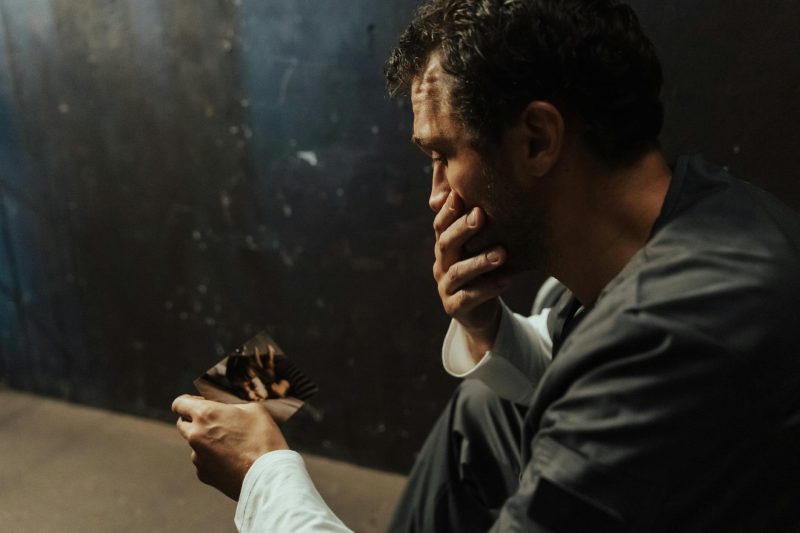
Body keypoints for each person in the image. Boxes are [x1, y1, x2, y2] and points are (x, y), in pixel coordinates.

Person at [172, 0, 800, 531]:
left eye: (443, 154)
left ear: (536, 140)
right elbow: (581, 374)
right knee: (486, 407)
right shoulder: (700, 211)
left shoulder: (669, 336)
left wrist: (264, 474)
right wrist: (486, 328)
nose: (437, 193)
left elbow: (625, 371)